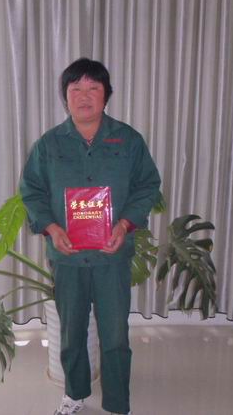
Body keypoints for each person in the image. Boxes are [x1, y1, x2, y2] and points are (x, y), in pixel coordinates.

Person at [19, 58, 161, 415]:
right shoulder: (49, 144)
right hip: (67, 257)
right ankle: (75, 393)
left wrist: (124, 224)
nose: (84, 96)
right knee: (71, 332)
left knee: (114, 335)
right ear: (65, 96)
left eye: (93, 88)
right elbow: (32, 192)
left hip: (112, 256)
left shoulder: (128, 140)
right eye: (76, 89)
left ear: (106, 94)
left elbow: (147, 185)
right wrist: (52, 227)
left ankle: (117, 404)